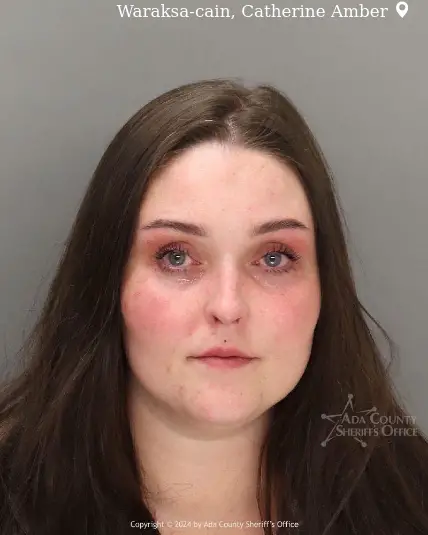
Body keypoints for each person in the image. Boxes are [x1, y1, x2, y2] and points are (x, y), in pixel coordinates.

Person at [0, 78, 427, 535]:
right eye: (176, 257)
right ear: (107, 280)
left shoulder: (412, 500)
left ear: (326, 286)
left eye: (274, 258)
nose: (227, 306)